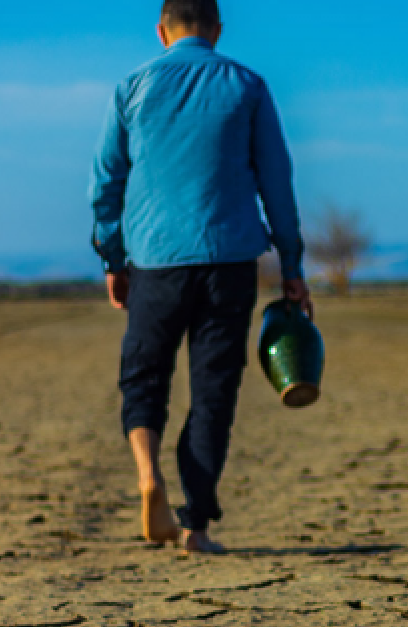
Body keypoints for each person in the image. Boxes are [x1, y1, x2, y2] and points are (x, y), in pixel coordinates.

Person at [89, 0, 311, 554]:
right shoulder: (248, 85)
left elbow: (105, 184)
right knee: (214, 391)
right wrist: (291, 266)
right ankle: (196, 526)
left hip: (154, 260)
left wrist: (113, 261)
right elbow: (277, 182)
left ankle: (149, 476)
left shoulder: (132, 88)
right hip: (228, 261)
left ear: (162, 32)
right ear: (217, 30)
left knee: (144, 375)